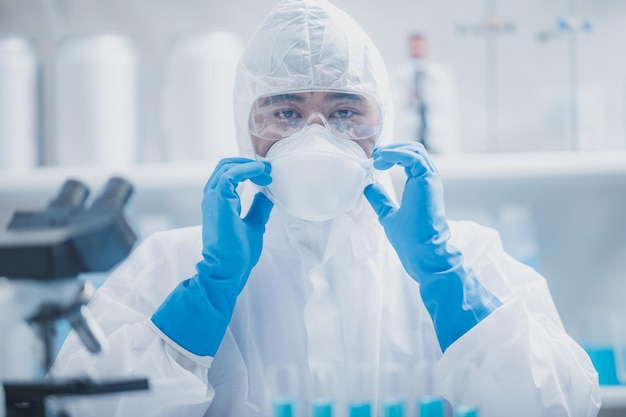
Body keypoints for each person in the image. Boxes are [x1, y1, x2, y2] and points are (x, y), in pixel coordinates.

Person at [52, 0, 600, 416]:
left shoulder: (467, 254)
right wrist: (208, 292)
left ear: (382, 124)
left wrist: (444, 278)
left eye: (344, 111)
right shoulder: (172, 263)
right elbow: (81, 403)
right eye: (286, 112)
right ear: (246, 124)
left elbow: (561, 401)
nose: (316, 137)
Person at [391, 32, 460, 154]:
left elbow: (446, 103)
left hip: (433, 133)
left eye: (420, 45)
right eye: (414, 45)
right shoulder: (399, 74)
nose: (417, 49)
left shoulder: (438, 74)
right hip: (409, 132)